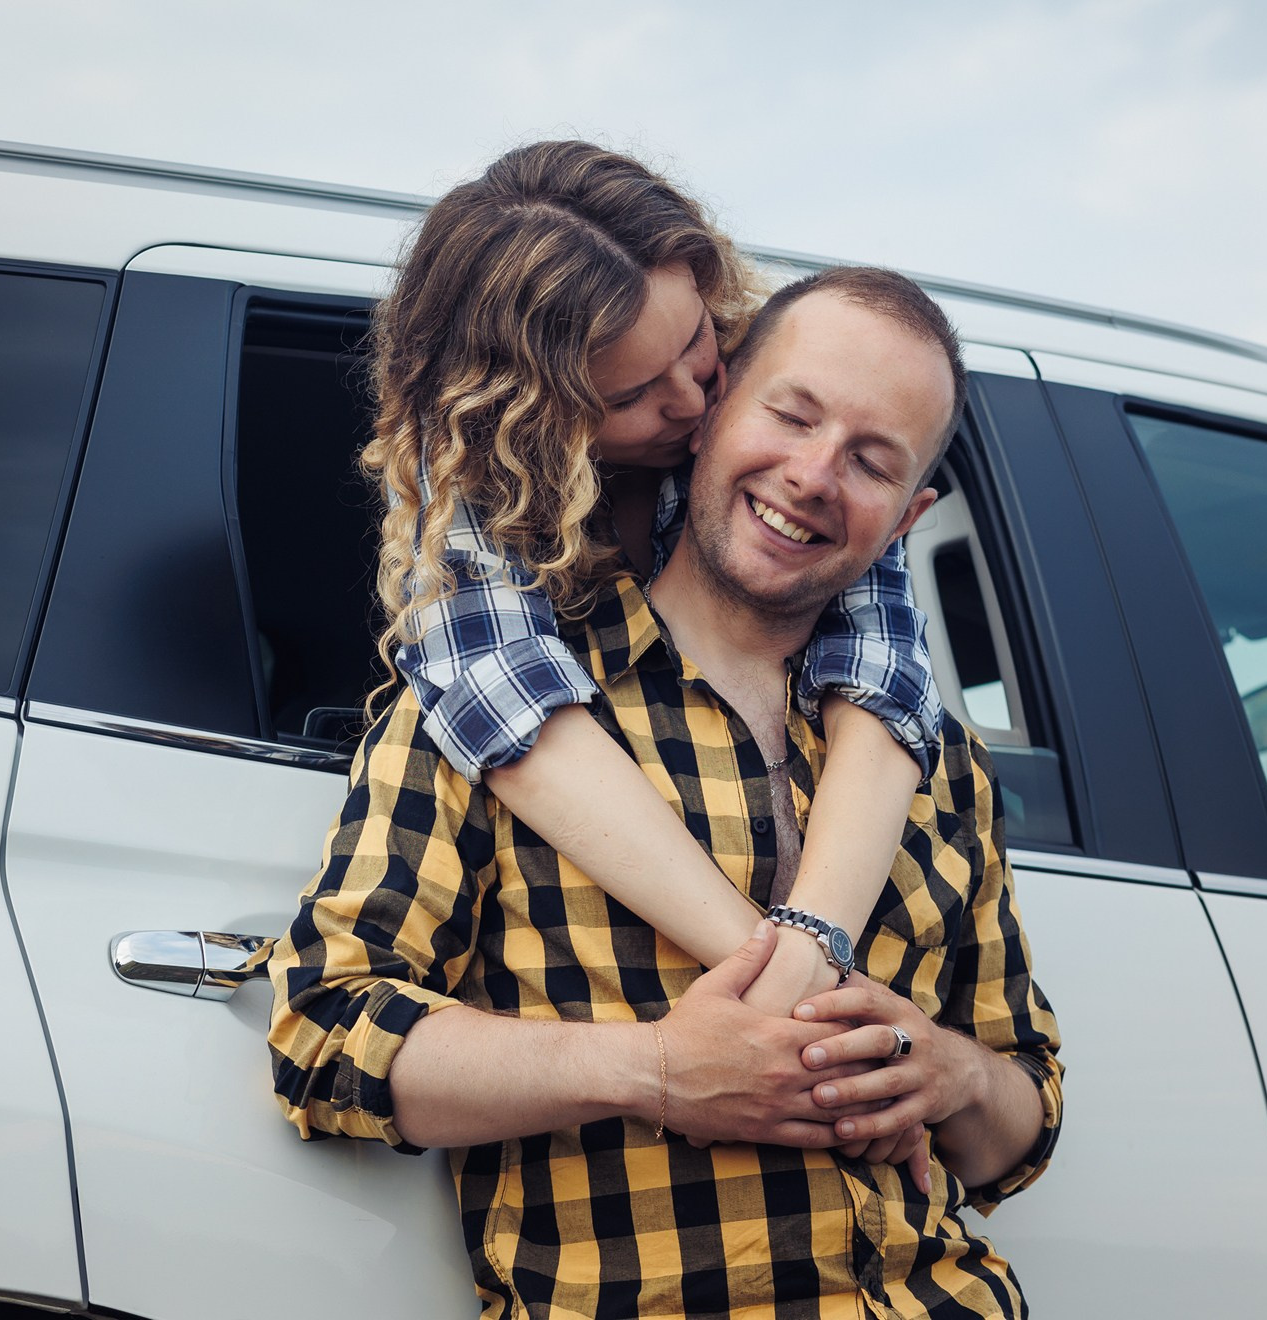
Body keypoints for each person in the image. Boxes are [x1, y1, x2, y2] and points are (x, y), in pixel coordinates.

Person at [270, 267, 1064, 1319]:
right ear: (709, 410)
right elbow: (327, 1036)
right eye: (791, 414)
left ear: (909, 515)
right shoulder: (483, 710)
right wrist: (651, 1069)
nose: (815, 474)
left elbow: (1022, 1123)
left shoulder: (935, 761)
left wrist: (951, 1076)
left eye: (873, 463)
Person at [362, 141, 942, 1034]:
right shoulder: (474, 490)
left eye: (697, 342)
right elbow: (507, 709)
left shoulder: (798, 417)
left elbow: (883, 664)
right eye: (634, 392)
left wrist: (813, 938)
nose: (694, 400)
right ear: (529, 410)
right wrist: (787, 991)